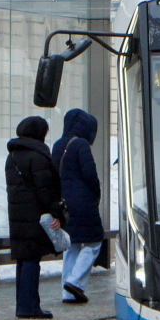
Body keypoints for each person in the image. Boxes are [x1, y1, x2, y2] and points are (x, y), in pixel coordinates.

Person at [5, 115, 65, 320]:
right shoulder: (37, 156)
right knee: (32, 261)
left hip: (18, 214)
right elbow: (45, 189)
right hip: (35, 214)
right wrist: (56, 211)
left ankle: (24, 305)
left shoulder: (12, 155)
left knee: (23, 260)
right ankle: (30, 307)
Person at [52, 108, 103, 305]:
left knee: (72, 245)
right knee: (94, 242)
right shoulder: (81, 144)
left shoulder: (58, 145)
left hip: (65, 202)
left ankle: (68, 293)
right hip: (83, 202)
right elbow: (90, 174)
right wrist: (96, 193)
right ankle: (76, 282)